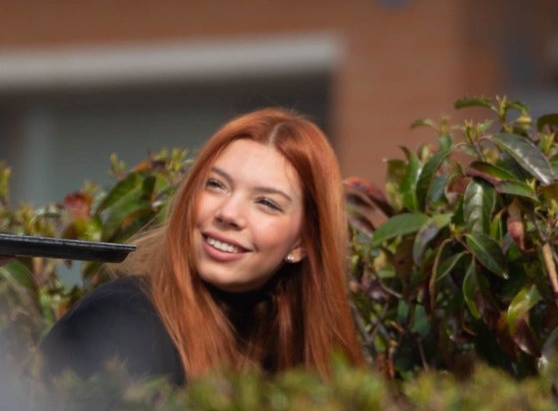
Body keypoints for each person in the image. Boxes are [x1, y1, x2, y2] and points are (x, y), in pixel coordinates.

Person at [42, 108, 363, 384]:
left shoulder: (297, 356)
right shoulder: (119, 322)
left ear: (302, 241)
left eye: (266, 203)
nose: (228, 213)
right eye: (216, 185)